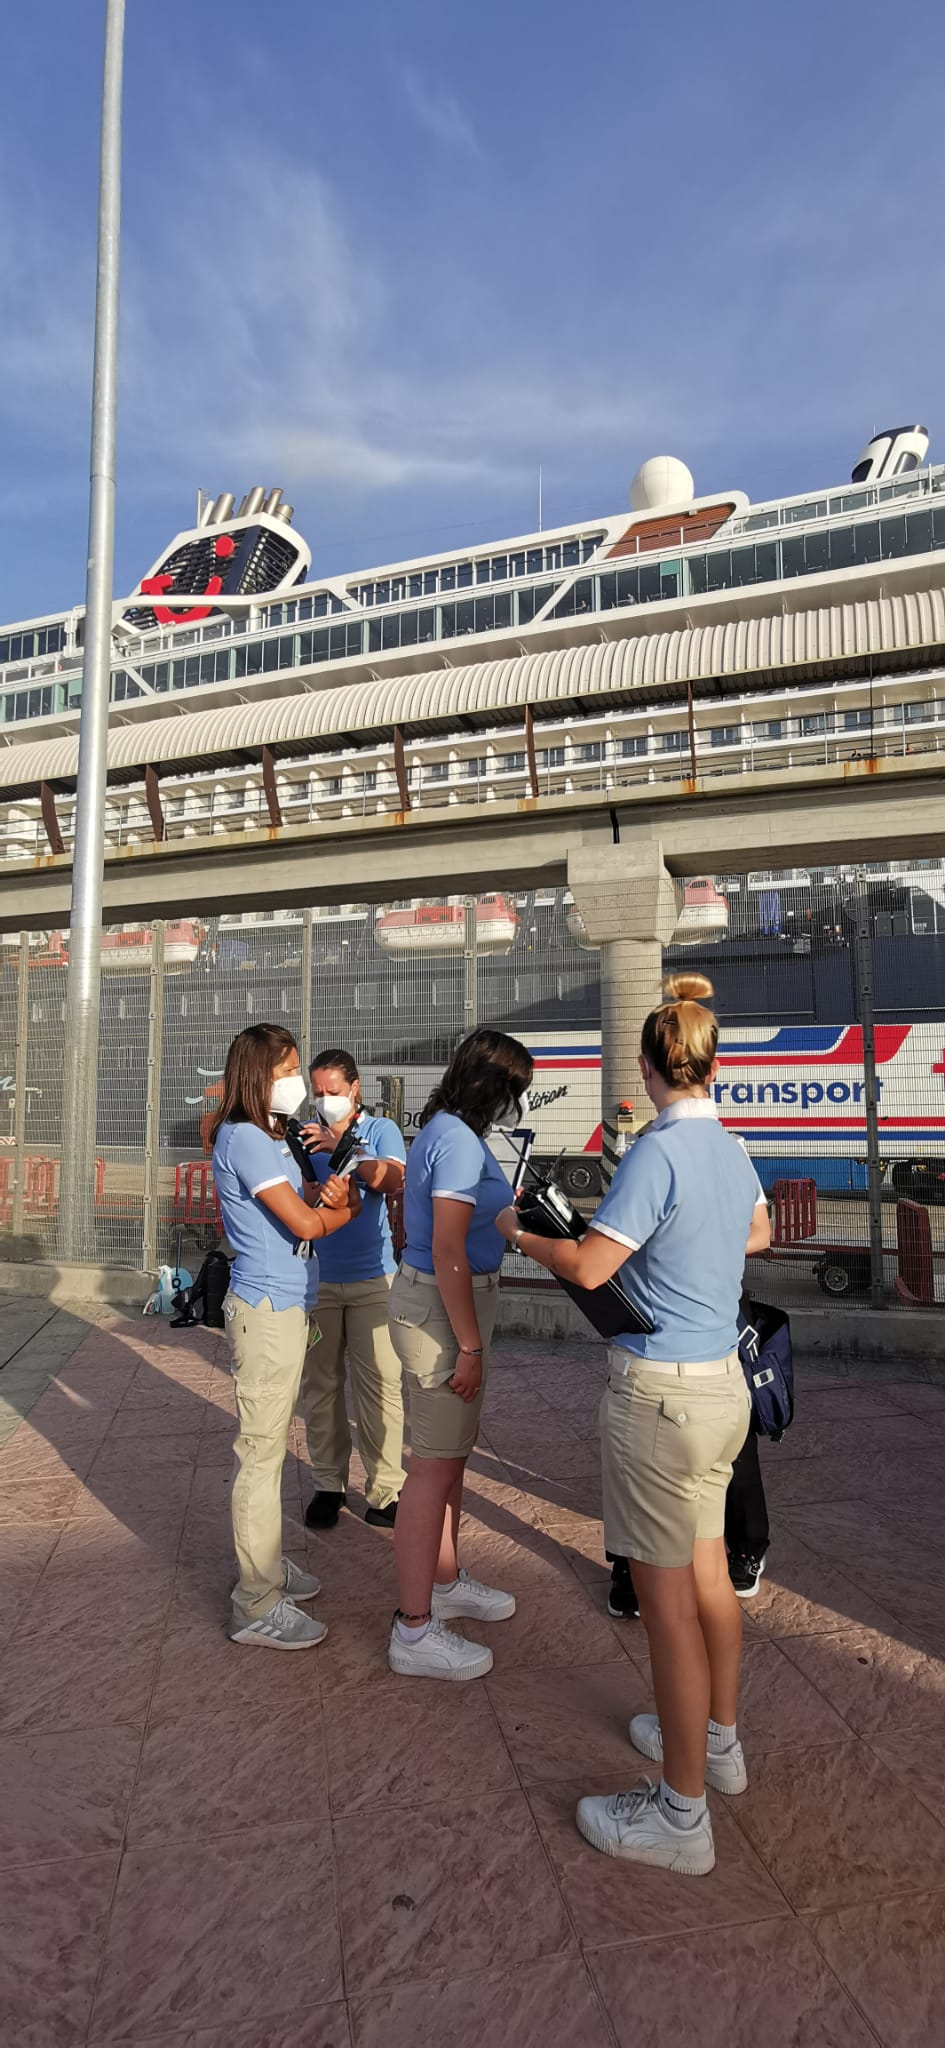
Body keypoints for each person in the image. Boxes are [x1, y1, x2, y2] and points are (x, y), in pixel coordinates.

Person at [496, 974, 771, 1876]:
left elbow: (584, 1265)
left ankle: (680, 1816)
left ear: (651, 1069)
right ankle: (716, 1743)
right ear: (709, 1063)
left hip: (659, 1398)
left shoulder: (655, 1153)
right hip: (721, 1389)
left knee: (665, 1614)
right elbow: (757, 1236)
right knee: (708, 1576)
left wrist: (519, 1232)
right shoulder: (730, 1147)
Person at [387, 1028, 533, 1681]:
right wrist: (468, 1345)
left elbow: (467, 1223)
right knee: (430, 1468)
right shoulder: (455, 1139)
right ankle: (413, 1628)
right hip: (445, 1314)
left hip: (452, 1306)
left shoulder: (455, 1136)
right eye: (515, 1089)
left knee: (448, 1462)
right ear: (491, 1085)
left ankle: (442, 1582)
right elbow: (446, 1246)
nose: (518, 1103)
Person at [211, 1024, 361, 1651]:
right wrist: (342, 1209)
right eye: (287, 1070)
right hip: (266, 1310)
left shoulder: (267, 1137)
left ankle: (265, 1566)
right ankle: (256, 1599)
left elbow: (295, 1200)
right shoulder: (244, 1135)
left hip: (285, 1306)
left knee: (272, 1445)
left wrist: (321, 1191)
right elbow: (304, 1221)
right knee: (262, 1452)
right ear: (259, 1075)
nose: (295, 1082)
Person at [299, 1049, 407, 1530]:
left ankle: (385, 1491)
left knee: (381, 1384)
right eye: (318, 1093)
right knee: (320, 1385)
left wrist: (345, 1145)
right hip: (320, 1279)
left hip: (372, 1279)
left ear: (355, 1088)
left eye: (334, 1092)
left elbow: (395, 1178)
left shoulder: (379, 1130)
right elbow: (301, 1198)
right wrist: (307, 1168)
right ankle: (328, 1482)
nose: (325, 1102)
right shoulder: (307, 1135)